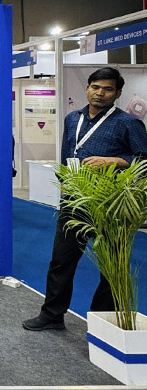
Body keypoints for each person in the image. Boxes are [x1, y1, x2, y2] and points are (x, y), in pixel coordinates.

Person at [23, 67, 147, 331]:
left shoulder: (128, 123)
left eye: (108, 89)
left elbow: (144, 160)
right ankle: (52, 315)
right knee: (61, 261)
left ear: (118, 94)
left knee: (111, 267)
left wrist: (116, 161)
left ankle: (102, 322)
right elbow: (67, 152)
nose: (100, 93)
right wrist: (65, 184)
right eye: (96, 87)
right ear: (87, 88)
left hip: (110, 206)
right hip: (75, 202)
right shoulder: (73, 118)